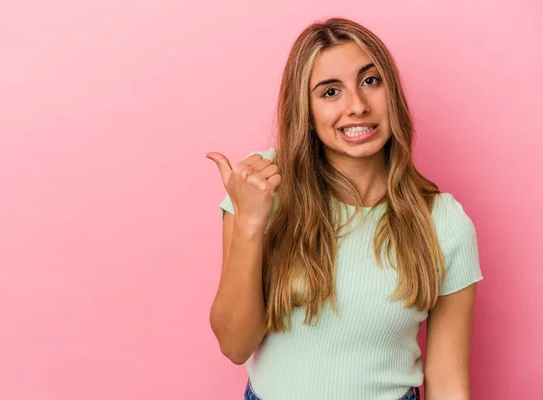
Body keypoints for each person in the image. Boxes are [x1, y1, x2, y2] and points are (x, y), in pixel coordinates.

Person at [206, 17, 483, 400]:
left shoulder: (443, 221)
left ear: (392, 92)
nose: (357, 106)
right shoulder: (263, 185)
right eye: (330, 91)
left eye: (371, 81)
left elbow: (448, 379)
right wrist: (251, 222)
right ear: (306, 109)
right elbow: (235, 345)